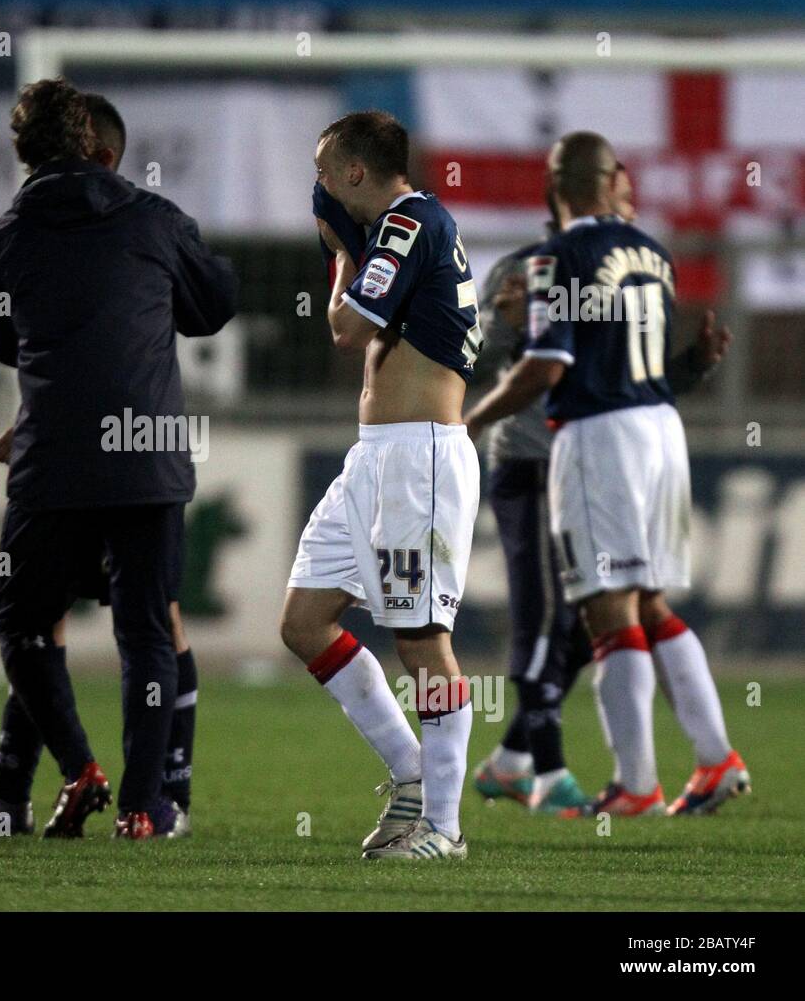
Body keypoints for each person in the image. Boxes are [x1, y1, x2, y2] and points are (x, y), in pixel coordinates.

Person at [464, 131, 749, 817]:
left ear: (555, 184)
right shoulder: (651, 251)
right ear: (610, 181)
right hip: (660, 430)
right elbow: (626, 357)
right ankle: (716, 761)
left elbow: (547, 368)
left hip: (598, 437)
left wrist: (473, 418)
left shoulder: (558, 257)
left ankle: (636, 786)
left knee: (606, 611)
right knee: (650, 602)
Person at [0, 78, 236, 840]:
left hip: (52, 458)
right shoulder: (155, 220)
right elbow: (214, 304)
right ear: (102, 148)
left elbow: (6, 344)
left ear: (23, 152)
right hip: (147, 455)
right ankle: (143, 807)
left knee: (25, 623)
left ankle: (77, 770)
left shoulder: (4, 238)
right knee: (148, 631)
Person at [281, 109, 482, 860]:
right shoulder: (412, 226)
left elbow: (348, 327)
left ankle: (444, 826)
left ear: (354, 172)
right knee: (304, 622)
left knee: (423, 642)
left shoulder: (405, 223)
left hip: (417, 460)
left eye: (323, 169)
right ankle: (410, 776)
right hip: (376, 457)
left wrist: (338, 256)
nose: (320, 185)